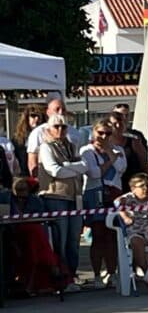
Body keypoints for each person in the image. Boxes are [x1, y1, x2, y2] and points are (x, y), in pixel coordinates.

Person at [37, 114, 88, 293]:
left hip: (75, 197)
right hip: (55, 197)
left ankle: (71, 276)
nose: (60, 130)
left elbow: (85, 166)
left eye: (63, 127)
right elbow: (54, 171)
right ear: (48, 129)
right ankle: (60, 279)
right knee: (60, 240)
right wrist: (74, 168)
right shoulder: (45, 147)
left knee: (74, 240)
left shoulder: (71, 146)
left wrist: (68, 166)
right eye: (56, 126)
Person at [80, 119, 127, 288]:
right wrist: (111, 159)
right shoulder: (87, 151)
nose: (104, 137)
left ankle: (112, 272)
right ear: (94, 132)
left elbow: (121, 168)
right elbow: (94, 173)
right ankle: (96, 274)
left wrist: (110, 152)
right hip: (95, 193)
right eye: (100, 133)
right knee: (98, 235)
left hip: (114, 193)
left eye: (108, 133)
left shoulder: (118, 149)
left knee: (112, 235)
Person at [27, 97, 81, 177]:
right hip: (49, 179)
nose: (61, 112)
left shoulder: (75, 133)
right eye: (57, 109)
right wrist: (37, 180)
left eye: (63, 110)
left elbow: (81, 159)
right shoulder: (38, 132)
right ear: (48, 112)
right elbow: (32, 160)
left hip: (73, 180)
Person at [108, 111, 148, 193]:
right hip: (113, 186)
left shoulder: (134, 141)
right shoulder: (106, 143)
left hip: (134, 185)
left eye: (121, 123)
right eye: (114, 124)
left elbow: (144, 162)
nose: (118, 126)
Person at [12, 104, 45, 177]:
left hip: (42, 174)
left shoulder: (46, 136)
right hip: (24, 175)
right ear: (27, 118)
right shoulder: (18, 138)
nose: (37, 118)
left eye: (39, 116)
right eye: (33, 115)